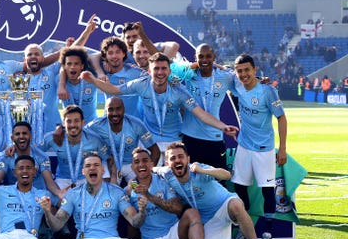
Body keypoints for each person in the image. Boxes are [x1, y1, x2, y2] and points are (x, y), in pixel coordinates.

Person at [39, 154, 195, 239]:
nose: (92, 168)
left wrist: (141, 211)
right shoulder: (73, 194)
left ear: (102, 170)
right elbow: (57, 224)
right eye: (88, 166)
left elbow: (135, 222)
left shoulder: (116, 192)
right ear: (83, 171)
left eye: (96, 165)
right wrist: (47, 212)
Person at [81, 53, 238, 165]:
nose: (160, 72)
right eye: (156, 69)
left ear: (169, 71)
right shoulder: (141, 84)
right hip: (151, 140)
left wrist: (223, 127)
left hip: (174, 140)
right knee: (148, 178)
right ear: (149, 71)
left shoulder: (179, 91)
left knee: (174, 182)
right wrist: (93, 81)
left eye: (164, 69)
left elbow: (201, 114)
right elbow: (114, 90)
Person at [161, 142, 264, 239]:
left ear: (188, 159)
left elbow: (226, 175)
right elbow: (153, 169)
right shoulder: (167, 175)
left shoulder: (198, 169)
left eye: (181, 156)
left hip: (224, 204)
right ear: (167, 163)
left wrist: (202, 171)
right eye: (173, 158)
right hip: (209, 220)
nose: (177, 160)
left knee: (236, 205)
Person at [231, 54, 287, 233]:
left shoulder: (267, 90)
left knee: (267, 191)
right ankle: (244, 227)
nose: (243, 74)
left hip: (264, 148)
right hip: (244, 146)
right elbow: (218, 68)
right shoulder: (236, 84)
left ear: (255, 70)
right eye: (239, 71)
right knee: (240, 187)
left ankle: (268, 232)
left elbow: (282, 118)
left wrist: (283, 148)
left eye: (247, 70)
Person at [128, 147, 205, 239]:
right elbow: (134, 224)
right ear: (132, 167)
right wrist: (142, 211)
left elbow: (178, 208)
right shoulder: (129, 191)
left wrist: (149, 196)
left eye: (145, 160)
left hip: (175, 233)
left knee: (192, 212)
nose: (141, 164)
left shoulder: (163, 181)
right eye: (137, 162)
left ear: (151, 164)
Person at [181, 44, 235, 169]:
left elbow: (245, 81)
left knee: (218, 182)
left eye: (208, 56)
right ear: (195, 58)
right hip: (190, 137)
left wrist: (260, 80)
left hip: (214, 138)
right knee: (191, 182)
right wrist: (192, 65)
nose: (204, 60)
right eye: (201, 56)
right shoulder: (189, 73)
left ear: (214, 57)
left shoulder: (225, 76)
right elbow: (167, 68)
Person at [86, 97, 159, 185]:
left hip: (131, 165)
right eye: (110, 109)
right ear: (105, 111)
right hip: (110, 164)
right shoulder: (96, 125)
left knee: (137, 189)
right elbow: (81, 134)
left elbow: (155, 151)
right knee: (108, 190)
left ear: (124, 109)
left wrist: (148, 172)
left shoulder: (136, 124)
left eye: (118, 109)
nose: (115, 113)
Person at [41, 105, 108, 189]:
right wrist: (40, 166)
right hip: (62, 179)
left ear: (83, 122)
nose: (72, 125)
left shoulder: (94, 139)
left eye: (76, 121)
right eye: (69, 121)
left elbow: (108, 159)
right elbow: (35, 151)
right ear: (63, 123)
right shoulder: (53, 137)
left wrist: (106, 180)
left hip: (86, 178)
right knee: (54, 199)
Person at [2, 121, 61, 200]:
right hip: (14, 198)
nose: (21, 136)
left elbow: (49, 181)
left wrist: (59, 193)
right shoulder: (6, 156)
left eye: (24, 133)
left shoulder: (42, 157)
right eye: (17, 134)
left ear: (30, 136)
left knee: (59, 203)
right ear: (12, 138)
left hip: (38, 197)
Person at [57, 46, 98, 123]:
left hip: (92, 127)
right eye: (69, 64)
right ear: (64, 66)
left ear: (82, 66)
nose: (72, 67)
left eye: (76, 64)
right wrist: (61, 84)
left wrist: (101, 72)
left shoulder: (91, 78)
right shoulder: (58, 81)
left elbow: (95, 56)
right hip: (70, 127)